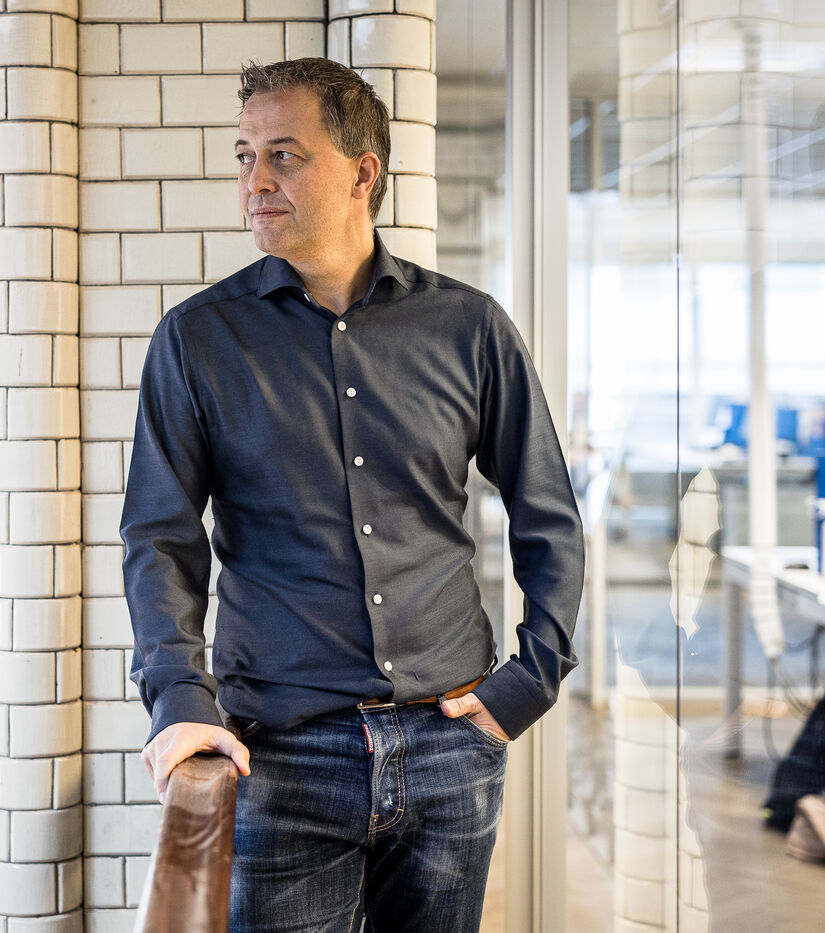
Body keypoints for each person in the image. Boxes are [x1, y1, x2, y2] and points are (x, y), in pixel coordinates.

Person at [120, 58, 586, 932]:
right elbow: (160, 539)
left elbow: (548, 512)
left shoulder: (470, 327)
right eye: (245, 156)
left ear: (362, 171)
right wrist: (179, 701)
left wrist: (532, 678)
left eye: (284, 155)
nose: (255, 180)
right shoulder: (197, 340)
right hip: (281, 755)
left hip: (452, 745)